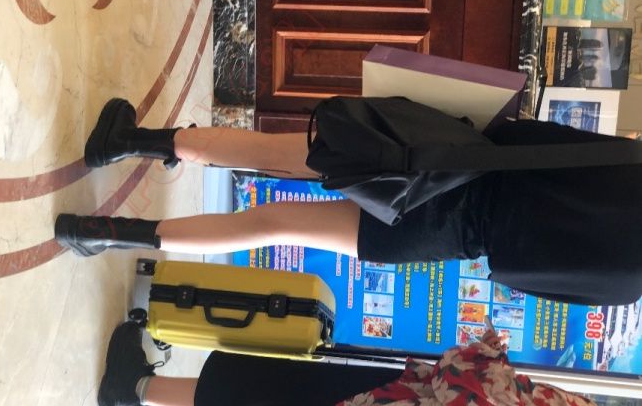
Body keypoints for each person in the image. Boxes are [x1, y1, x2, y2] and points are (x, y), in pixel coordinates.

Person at [55, 97, 642, 306]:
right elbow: (513, 273)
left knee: (275, 152)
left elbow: (531, 139)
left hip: (446, 164)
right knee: (271, 225)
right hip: (441, 238)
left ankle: (125, 142)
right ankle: (103, 234)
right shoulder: (627, 286)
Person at [100, 320, 608, 406]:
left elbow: (476, 399)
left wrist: (487, 353)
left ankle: (134, 385)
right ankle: (143, 391)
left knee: (264, 396)